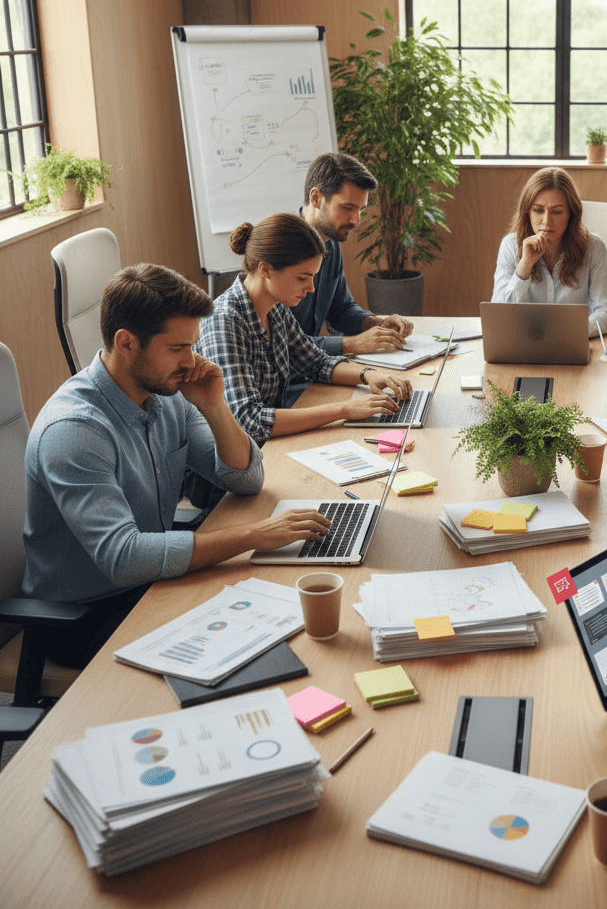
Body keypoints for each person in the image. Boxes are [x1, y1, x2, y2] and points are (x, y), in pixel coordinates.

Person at [22, 264, 335, 669]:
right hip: (87, 617)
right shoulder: (75, 431)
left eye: (192, 345)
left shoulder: (167, 394)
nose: (191, 362)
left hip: (150, 583)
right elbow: (124, 557)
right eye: (177, 349)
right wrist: (254, 535)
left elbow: (246, 479)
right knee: (265, 649)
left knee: (283, 614)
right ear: (126, 343)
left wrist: (214, 405)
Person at [196, 213, 412, 445]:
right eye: (302, 278)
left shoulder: (275, 309)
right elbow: (250, 421)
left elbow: (316, 363)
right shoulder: (224, 321)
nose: (311, 288)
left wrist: (369, 374)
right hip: (234, 455)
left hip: (270, 443)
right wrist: (345, 409)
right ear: (266, 269)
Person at [295, 152, 414, 357]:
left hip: (311, 366)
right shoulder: (281, 249)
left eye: (360, 209)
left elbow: (341, 310)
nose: (356, 221)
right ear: (316, 198)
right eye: (348, 207)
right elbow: (282, 344)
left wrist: (377, 324)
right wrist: (351, 344)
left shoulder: (330, 242)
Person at [491, 167, 607, 337]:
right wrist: (525, 266)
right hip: (526, 347)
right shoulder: (510, 246)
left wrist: (563, 333)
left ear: (571, 214)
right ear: (527, 211)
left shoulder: (594, 247)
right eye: (538, 210)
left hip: (574, 343)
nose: (546, 221)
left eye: (557, 212)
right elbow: (499, 319)